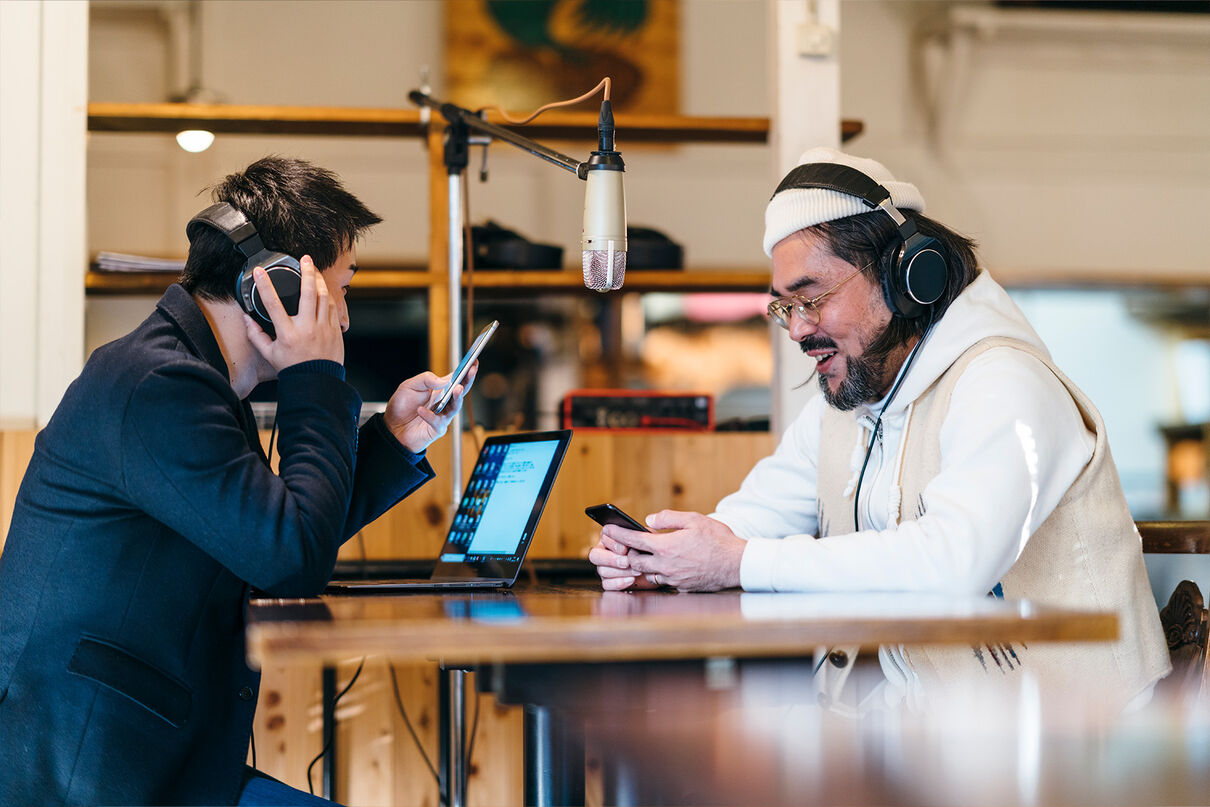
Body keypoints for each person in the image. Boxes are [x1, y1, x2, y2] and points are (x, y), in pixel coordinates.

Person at [589, 147, 1170, 709]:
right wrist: (661, 556)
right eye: (785, 307)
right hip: (949, 745)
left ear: (905, 279)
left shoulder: (1005, 382)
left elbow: (953, 563)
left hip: (1081, 752)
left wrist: (735, 561)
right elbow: (754, 516)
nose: (796, 330)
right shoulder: (848, 400)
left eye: (811, 298)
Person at [0, 157, 472, 805]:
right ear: (277, 288)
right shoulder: (158, 385)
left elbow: (269, 537)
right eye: (342, 290)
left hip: (150, 764)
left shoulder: (193, 381)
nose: (345, 319)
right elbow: (288, 558)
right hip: (89, 775)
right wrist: (314, 375)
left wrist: (393, 438)